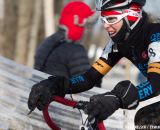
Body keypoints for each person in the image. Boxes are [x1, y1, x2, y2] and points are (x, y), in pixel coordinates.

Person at [28, 0, 160, 124]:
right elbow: (89, 78)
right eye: (103, 20)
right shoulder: (118, 43)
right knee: (145, 120)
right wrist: (60, 84)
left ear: (132, 15)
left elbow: (155, 84)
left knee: (146, 119)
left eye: (111, 19)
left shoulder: (156, 34)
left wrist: (117, 99)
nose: (106, 25)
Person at [34, 1, 94, 79]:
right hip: (57, 91)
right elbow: (87, 84)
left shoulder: (47, 41)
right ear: (77, 22)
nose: (87, 30)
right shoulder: (75, 50)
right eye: (86, 25)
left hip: (35, 89)